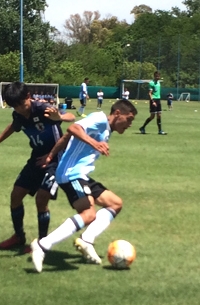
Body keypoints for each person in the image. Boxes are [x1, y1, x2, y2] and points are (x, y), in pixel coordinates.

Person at [30, 99, 138, 273]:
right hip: (71, 173)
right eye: (129, 119)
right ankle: (42, 245)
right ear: (118, 114)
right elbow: (73, 128)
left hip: (81, 175)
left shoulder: (106, 128)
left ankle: (87, 240)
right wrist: (95, 144)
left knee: (115, 203)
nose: (130, 124)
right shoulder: (100, 119)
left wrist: (51, 156)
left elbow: (67, 137)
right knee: (88, 214)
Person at [0, 82, 76, 249]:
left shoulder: (43, 108)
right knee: (16, 196)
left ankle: (42, 243)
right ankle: (19, 236)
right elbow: (14, 126)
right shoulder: (18, 114)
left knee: (41, 199)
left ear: (28, 97)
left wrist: (58, 117)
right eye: (14, 107)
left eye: (21, 105)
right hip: (37, 157)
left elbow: (71, 117)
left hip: (56, 159)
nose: (19, 109)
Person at [139, 71, 166, 135]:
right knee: (152, 116)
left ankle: (160, 130)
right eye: (156, 76)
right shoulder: (151, 83)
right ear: (154, 76)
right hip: (153, 100)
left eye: (158, 76)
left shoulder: (159, 83)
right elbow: (150, 93)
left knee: (159, 115)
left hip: (158, 99)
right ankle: (142, 127)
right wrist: (153, 101)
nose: (158, 77)